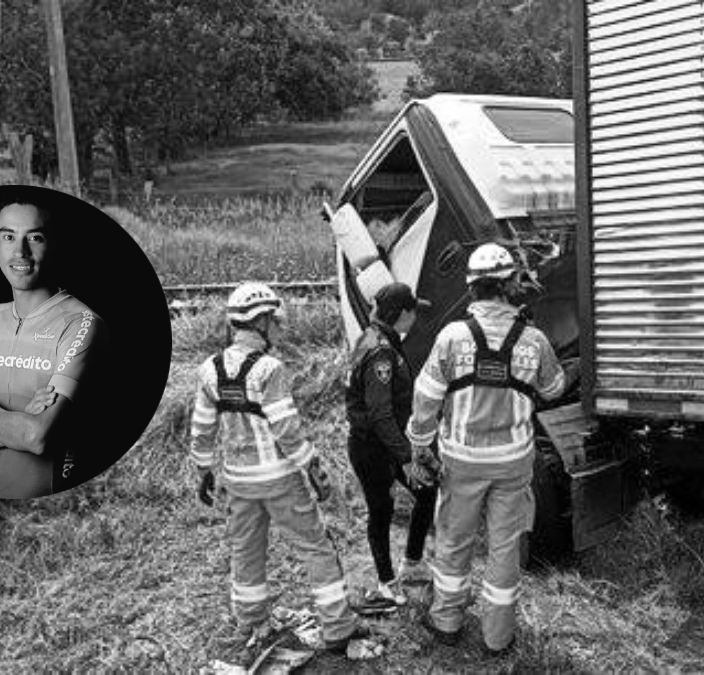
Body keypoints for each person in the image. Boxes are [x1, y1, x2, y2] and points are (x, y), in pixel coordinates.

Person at [189, 282, 379, 658]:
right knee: (316, 548)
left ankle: (254, 622)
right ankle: (339, 628)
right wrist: (314, 468)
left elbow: (202, 428)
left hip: (238, 481)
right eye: (274, 320)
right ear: (259, 321)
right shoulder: (269, 369)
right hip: (279, 479)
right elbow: (287, 430)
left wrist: (205, 470)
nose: (278, 328)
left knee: (245, 551)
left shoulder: (208, 370)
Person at [405, 242, 566, 655]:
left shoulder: (452, 338)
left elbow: (425, 401)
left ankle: (447, 623)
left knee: (455, 542)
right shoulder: (534, 340)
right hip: (513, 463)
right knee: (504, 546)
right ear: (511, 284)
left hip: (460, 461)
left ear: (472, 288)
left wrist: (420, 447)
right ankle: (498, 637)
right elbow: (554, 388)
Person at [0, 191, 105, 499]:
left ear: (53, 242)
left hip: (52, 503)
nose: (21, 252)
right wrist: (16, 428)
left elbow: (36, 437)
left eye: (35, 238)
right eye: (9, 237)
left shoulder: (81, 323)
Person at [345, 282, 437, 613]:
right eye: (413, 312)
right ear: (401, 314)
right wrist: (407, 457)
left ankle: (412, 562)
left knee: (428, 489)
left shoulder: (377, 337)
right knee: (381, 508)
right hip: (372, 446)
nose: (416, 319)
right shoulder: (380, 351)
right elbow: (379, 413)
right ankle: (386, 582)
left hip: (390, 439)